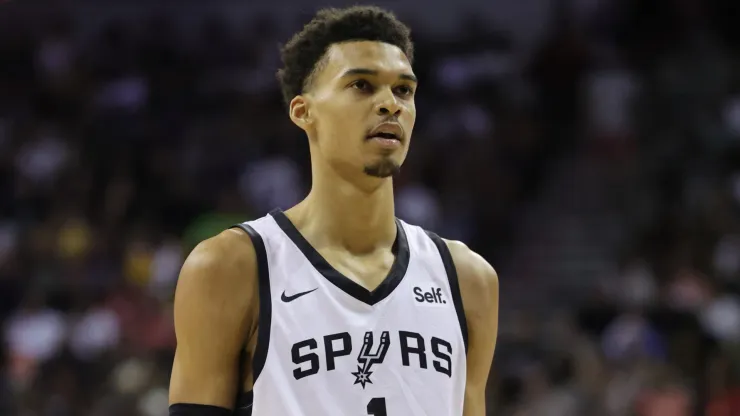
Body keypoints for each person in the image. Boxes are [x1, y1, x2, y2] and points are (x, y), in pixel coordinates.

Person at [168, 5, 499, 416]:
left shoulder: (468, 280)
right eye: (362, 85)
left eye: (404, 90)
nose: (390, 104)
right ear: (303, 112)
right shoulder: (231, 267)